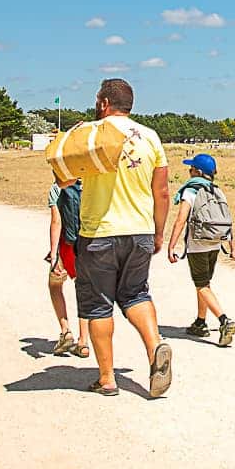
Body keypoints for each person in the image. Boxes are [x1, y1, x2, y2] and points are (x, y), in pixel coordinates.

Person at [70, 78, 172, 398]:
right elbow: (162, 192)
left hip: (99, 233)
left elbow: (65, 178)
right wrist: (158, 232)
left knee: (99, 304)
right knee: (136, 294)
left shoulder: (89, 134)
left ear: (104, 103)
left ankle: (107, 378)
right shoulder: (150, 137)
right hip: (140, 230)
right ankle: (155, 347)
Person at [166, 153, 235, 347]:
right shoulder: (217, 190)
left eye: (191, 169)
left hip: (197, 245)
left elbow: (180, 220)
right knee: (204, 284)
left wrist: (171, 245)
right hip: (215, 244)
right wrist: (232, 247)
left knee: (202, 285)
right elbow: (227, 220)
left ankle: (224, 321)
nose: (189, 172)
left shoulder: (191, 191)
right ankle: (200, 322)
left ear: (198, 172)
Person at [45, 176, 90, 358]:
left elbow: (56, 222)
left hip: (67, 246)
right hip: (89, 244)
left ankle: (66, 331)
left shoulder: (57, 187)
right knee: (84, 289)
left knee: (55, 285)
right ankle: (83, 342)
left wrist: (54, 254)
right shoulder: (90, 183)